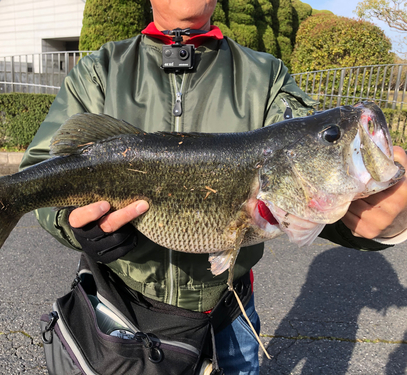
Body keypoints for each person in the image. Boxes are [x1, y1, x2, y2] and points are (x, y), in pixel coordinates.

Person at [20, 1, 407, 373]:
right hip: (122, 307)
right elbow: (41, 172)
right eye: (332, 135)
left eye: (332, 135)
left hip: (230, 308)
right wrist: (71, 225)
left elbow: (305, 184)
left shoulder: (268, 77)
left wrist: (388, 220)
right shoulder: (99, 71)